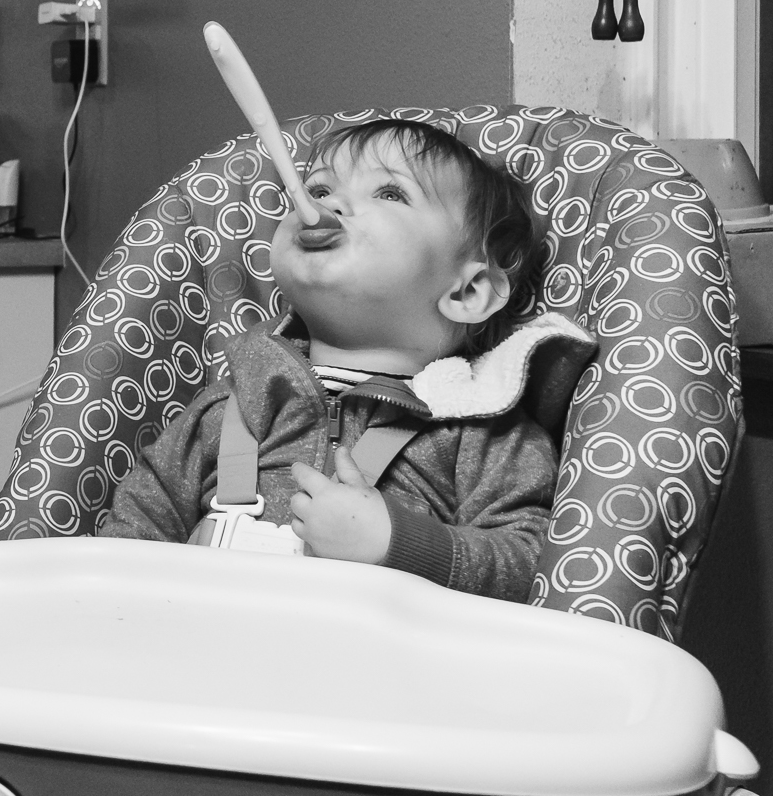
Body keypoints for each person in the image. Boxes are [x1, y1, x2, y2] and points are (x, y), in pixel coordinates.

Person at [98, 118, 591, 600]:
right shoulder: (227, 410)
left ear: (467, 291)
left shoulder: (482, 431)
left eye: (390, 193)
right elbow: (128, 543)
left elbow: (532, 569)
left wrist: (398, 544)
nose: (327, 203)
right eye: (315, 190)